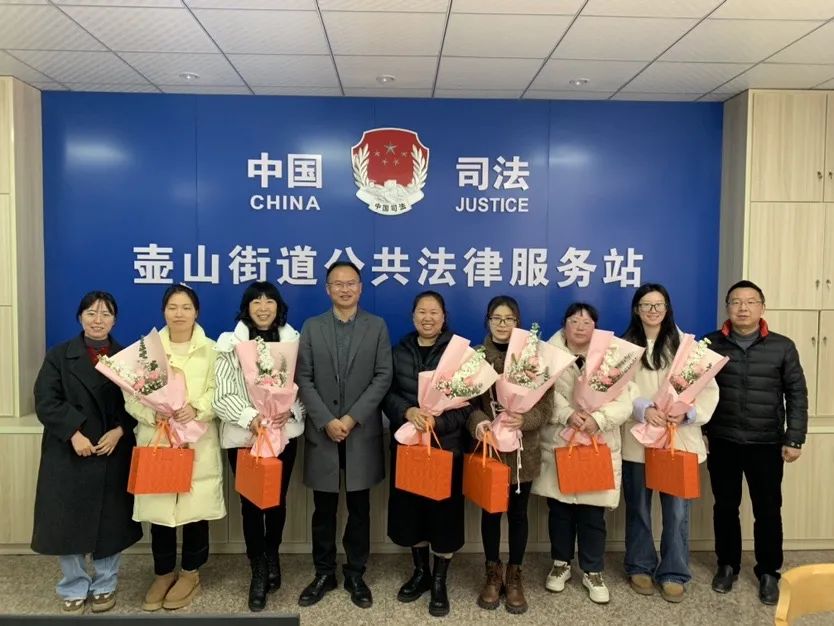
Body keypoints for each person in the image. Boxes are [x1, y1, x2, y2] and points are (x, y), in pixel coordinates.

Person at [32, 291, 142, 614]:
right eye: (91, 313)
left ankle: (105, 583)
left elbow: (140, 403)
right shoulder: (59, 356)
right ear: (80, 317)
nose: (98, 320)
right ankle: (74, 584)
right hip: (69, 451)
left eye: (105, 314)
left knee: (110, 522)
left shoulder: (127, 357)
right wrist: (73, 433)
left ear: (114, 320)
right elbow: (46, 400)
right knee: (67, 520)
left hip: (112, 449)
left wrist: (120, 430)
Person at [704, 280, 808, 606]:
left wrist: (795, 437)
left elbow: (797, 394)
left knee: (768, 509)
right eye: (736, 302)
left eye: (750, 302)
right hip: (723, 439)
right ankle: (727, 565)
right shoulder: (710, 344)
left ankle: (768, 572)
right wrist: (702, 432)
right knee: (725, 506)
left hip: (766, 442)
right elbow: (695, 391)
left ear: (762, 307)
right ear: (727, 308)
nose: (743, 308)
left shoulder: (782, 346)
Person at [296, 261, 393, 609]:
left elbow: (383, 376)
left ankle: (355, 573)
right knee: (323, 509)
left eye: (351, 283)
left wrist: (351, 418)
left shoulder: (377, 326)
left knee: (359, 508)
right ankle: (324, 573)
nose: (345, 289)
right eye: (337, 284)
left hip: (360, 432)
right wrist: (326, 419)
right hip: (323, 433)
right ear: (327, 289)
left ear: (361, 287)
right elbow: (303, 377)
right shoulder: (312, 327)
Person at [126, 284, 226, 612]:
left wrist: (198, 408)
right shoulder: (146, 351)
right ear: (163, 311)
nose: (179, 313)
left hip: (196, 440)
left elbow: (219, 391)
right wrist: (152, 414)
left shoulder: (212, 350)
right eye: (172, 307)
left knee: (195, 512)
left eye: (186, 307)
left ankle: (191, 573)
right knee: (160, 513)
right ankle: (163, 573)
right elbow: (131, 395)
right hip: (159, 438)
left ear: (196, 312)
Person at [621, 284, 718, 603]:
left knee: (677, 513)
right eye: (646, 305)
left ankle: (674, 571)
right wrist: (643, 409)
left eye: (658, 304)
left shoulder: (689, 348)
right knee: (638, 508)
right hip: (639, 440)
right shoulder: (624, 347)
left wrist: (686, 413)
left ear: (667, 308)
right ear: (636, 309)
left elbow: (709, 391)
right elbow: (617, 389)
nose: (652, 310)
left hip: (679, 441)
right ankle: (640, 565)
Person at [531, 303, 632, 605]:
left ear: (595, 327)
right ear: (564, 324)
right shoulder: (546, 355)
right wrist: (567, 415)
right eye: (574, 320)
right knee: (560, 511)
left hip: (596, 441)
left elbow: (625, 401)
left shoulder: (613, 358)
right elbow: (542, 394)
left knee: (592, 513)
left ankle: (593, 570)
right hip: (561, 440)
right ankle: (561, 563)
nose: (580, 326)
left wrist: (597, 419)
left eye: (587, 322)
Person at [214, 281, 305, 611]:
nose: (263, 307)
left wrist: (288, 411)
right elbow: (222, 393)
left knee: (276, 501)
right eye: (256, 301)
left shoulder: (293, 342)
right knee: (251, 504)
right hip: (245, 439)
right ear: (247, 308)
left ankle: (272, 554)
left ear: (279, 307)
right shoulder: (229, 343)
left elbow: (305, 387)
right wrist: (251, 417)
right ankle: (257, 567)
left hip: (282, 436)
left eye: (269, 301)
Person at [383, 290, 471, 617]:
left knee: (443, 516)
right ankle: (420, 572)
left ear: (444, 317)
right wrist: (406, 411)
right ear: (413, 316)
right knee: (412, 513)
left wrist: (439, 421)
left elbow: (468, 405)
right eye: (422, 311)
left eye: (434, 312)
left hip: (445, 449)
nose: (428, 318)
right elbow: (387, 394)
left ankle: (438, 580)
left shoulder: (459, 353)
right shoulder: (399, 351)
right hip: (409, 447)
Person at [467, 295, 552, 614]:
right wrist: (480, 423)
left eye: (509, 319)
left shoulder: (534, 358)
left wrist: (524, 419)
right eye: (496, 318)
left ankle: (515, 575)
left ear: (518, 322)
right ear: (488, 321)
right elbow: (466, 404)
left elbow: (546, 407)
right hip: (489, 447)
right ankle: (492, 573)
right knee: (490, 512)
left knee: (518, 514)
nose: (502, 324)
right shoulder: (475, 357)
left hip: (522, 451)